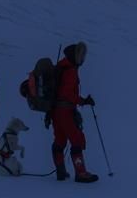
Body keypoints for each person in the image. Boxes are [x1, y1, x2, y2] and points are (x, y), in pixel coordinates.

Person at [51, 42, 98, 183]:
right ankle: (81, 173)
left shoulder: (61, 66)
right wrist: (83, 101)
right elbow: (67, 94)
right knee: (76, 140)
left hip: (55, 111)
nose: (83, 58)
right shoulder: (70, 71)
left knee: (60, 140)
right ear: (76, 55)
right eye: (82, 54)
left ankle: (61, 171)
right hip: (65, 111)